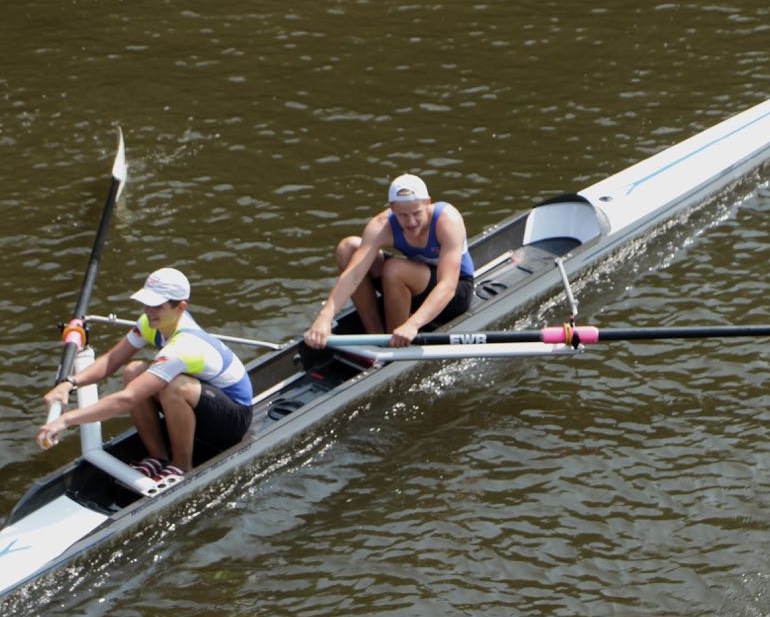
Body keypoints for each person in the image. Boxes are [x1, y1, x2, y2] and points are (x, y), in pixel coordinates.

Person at [37, 267, 254, 475]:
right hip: (203, 401)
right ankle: (159, 458)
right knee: (132, 371)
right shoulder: (150, 323)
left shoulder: (184, 346)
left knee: (174, 387)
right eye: (146, 303)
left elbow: (128, 398)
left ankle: (181, 467)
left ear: (181, 307)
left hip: (233, 420)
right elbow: (111, 361)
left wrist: (66, 419)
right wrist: (69, 384)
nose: (148, 311)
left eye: (157, 305)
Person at [305, 173, 475, 349]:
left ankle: (396, 345)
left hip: (456, 292)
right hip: (416, 283)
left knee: (394, 269)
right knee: (348, 248)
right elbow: (354, 275)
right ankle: (376, 336)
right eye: (403, 215)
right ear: (392, 208)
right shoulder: (381, 225)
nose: (411, 222)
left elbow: (448, 286)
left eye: (417, 213)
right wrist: (324, 318)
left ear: (428, 203)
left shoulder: (447, 220)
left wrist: (413, 324)